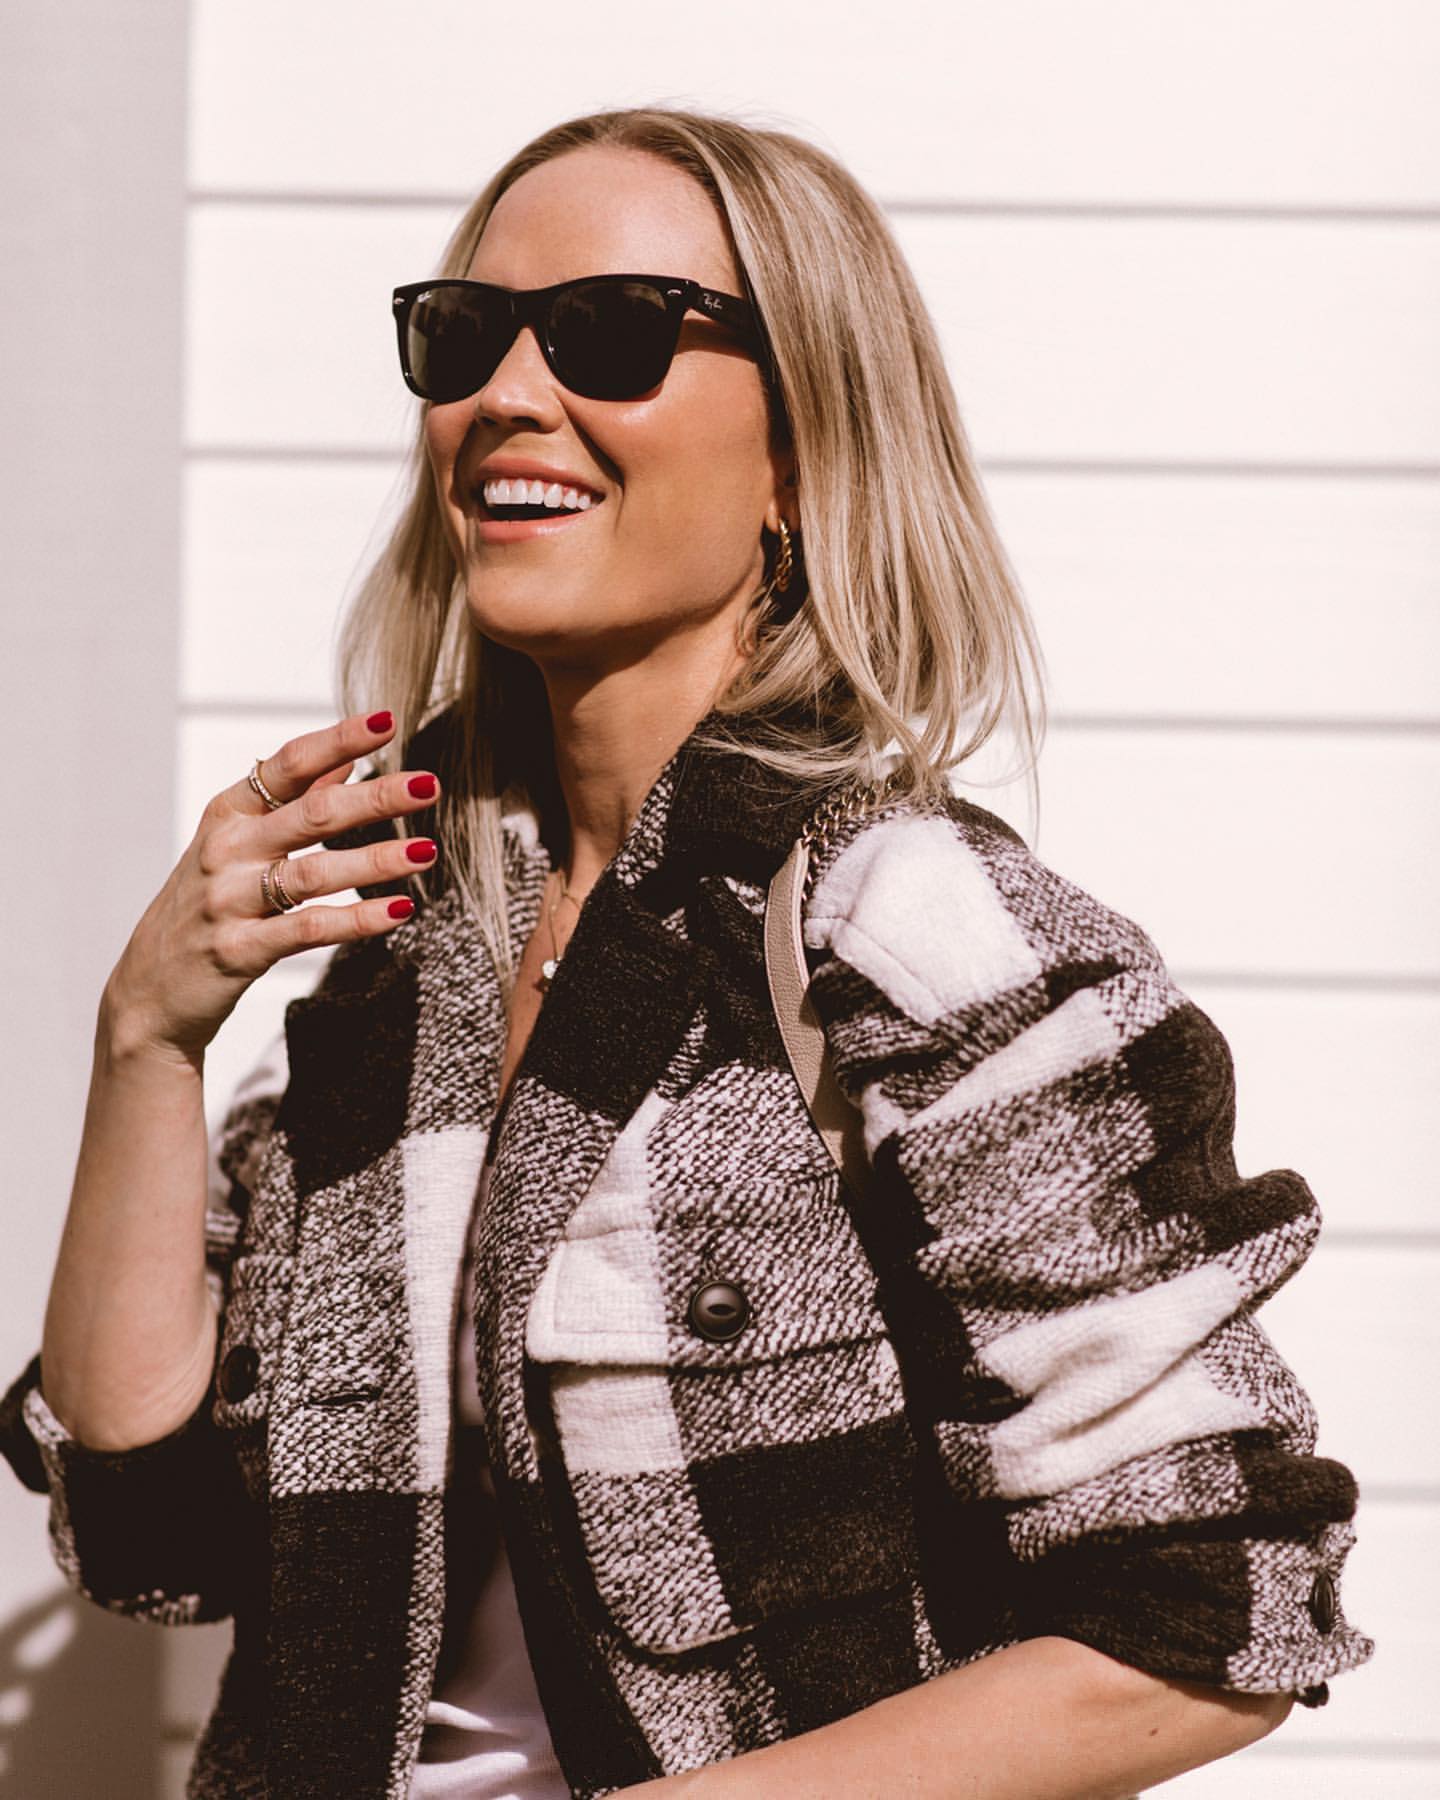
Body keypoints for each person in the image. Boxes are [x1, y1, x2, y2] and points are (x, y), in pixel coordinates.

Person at [0, 107, 1371, 1800]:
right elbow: (150, 1539)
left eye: (610, 332)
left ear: (803, 450)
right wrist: (145, 1038)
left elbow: (1208, 1620)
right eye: (463, 334)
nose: (508, 392)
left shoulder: (911, 936)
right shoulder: (400, 968)